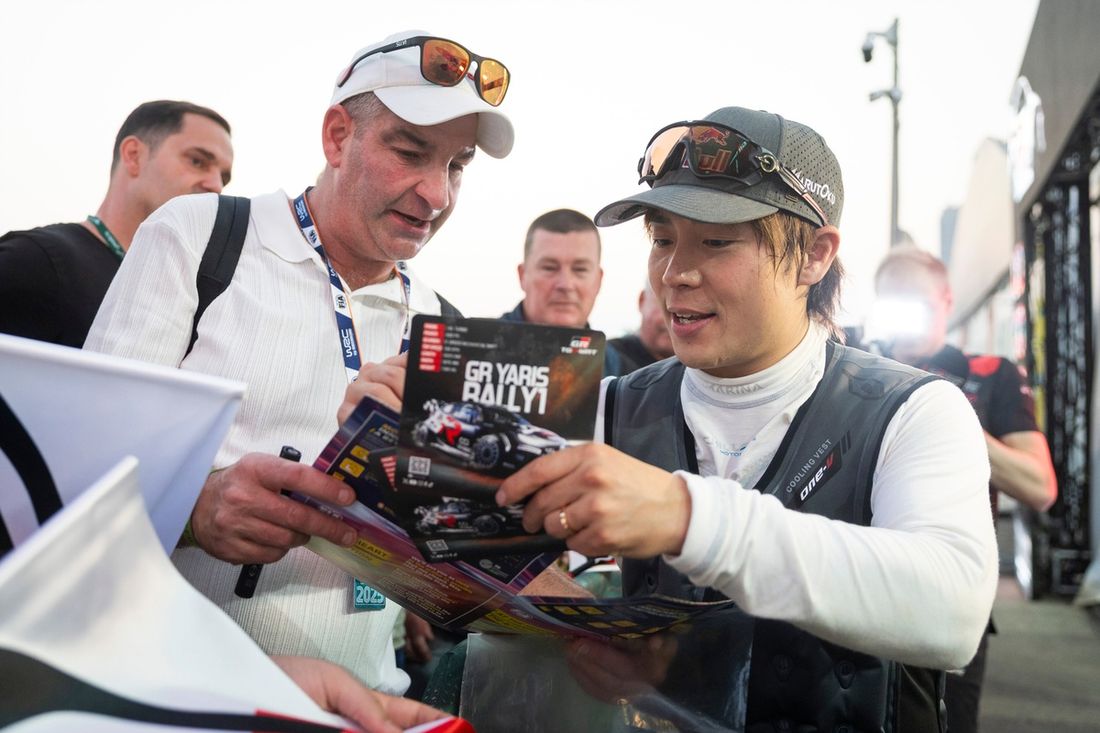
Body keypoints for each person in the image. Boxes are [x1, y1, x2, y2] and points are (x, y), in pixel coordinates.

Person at [491, 107, 999, 729]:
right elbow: (468, 555)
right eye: (662, 238)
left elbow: (952, 610)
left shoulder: (914, 410)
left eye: (717, 241)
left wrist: (689, 517)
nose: (676, 272)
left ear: (814, 255)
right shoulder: (610, 404)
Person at [84, 30, 514, 696]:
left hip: (368, 702)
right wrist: (195, 510)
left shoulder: (445, 327)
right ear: (338, 136)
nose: (437, 194)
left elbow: (457, 577)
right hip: (168, 696)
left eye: (457, 165)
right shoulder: (199, 237)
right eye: (410, 152)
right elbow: (72, 480)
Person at [872, 244, 1057, 733]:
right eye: (895, 304)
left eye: (918, 303)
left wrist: (947, 417)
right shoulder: (853, 369)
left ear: (947, 300)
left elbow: (1040, 487)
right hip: (861, 585)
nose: (907, 319)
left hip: (949, 599)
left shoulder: (990, 375)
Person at [0, 100, 233, 347]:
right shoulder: (34, 261)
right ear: (134, 156)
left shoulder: (190, 302)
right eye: (197, 161)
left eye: (224, 178)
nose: (216, 186)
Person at [500, 208, 628, 375]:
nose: (566, 284)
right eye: (550, 268)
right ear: (523, 275)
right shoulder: (476, 351)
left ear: (598, 280)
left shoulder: (617, 372)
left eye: (580, 269)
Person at [608, 279, 674, 373]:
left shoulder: (698, 375)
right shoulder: (608, 361)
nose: (675, 319)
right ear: (642, 300)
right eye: (666, 303)